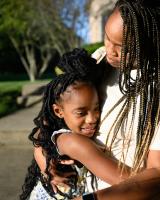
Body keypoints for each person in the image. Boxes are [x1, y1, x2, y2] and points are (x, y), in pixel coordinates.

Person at [32, 0, 160, 199]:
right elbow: (48, 121)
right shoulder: (98, 64)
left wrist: (92, 197)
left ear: (151, 45)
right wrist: (46, 159)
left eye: (122, 47)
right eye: (107, 38)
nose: (110, 50)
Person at [20, 48, 132, 200]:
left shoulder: (57, 134)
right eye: (81, 112)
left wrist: (43, 161)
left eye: (97, 108)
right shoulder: (73, 142)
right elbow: (132, 184)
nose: (92, 119)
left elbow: (41, 132)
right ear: (58, 111)